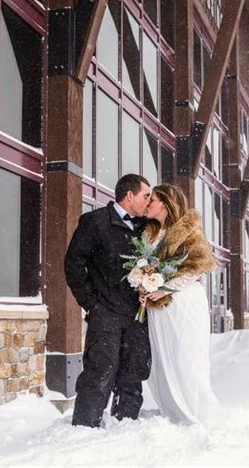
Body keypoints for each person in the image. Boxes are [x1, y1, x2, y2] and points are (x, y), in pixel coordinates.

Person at [65, 173, 152, 428]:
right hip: (106, 314)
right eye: (146, 196)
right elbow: (73, 264)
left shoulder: (145, 228)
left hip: (137, 317)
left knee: (133, 372)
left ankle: (125, 426)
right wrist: (91, 303)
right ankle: (84, 428)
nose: (149, 202)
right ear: (130, 195)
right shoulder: (95, 222)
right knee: (100, 370)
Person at [143, 184, 219, 425]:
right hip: (159, 309)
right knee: (164, 356)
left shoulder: (188, 231)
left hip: (184, 302)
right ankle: (172, 408)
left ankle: (195, 409)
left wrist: (165, 287)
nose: (147, 204)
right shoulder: (150, 233)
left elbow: (196, 269)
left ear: (165, 204)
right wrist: (144, 283)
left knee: (186, 354)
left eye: (152, 200)